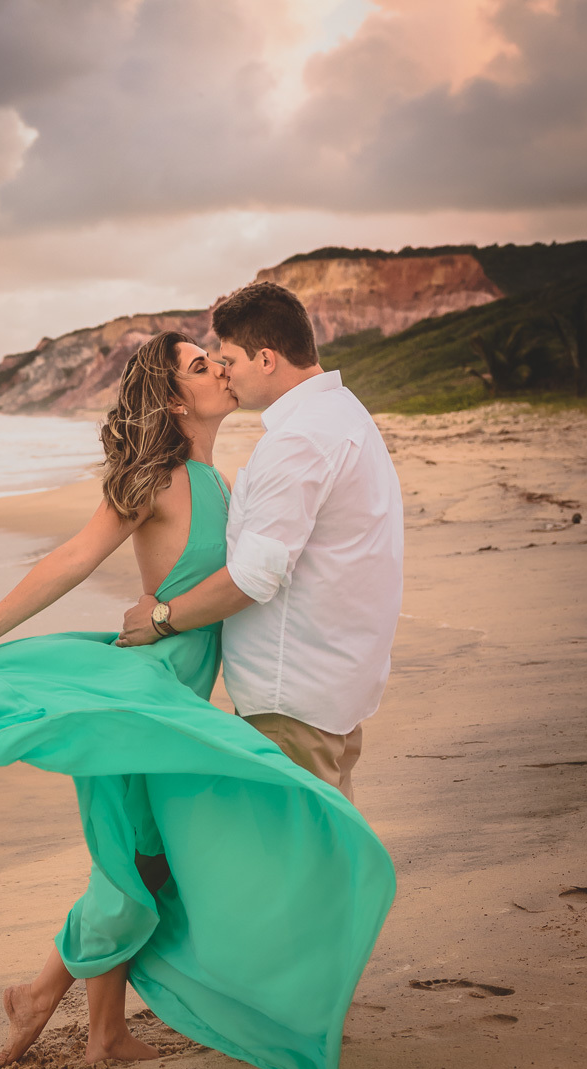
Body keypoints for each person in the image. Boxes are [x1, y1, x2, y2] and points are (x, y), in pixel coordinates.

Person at [0, 329, 395, 1069]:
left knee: (141, 857)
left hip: (180, 698)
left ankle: (73, 1011)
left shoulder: (222, 479)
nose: (219, 368)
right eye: (199, 364)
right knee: (137, 858)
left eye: (218, 358)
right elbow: (72, 557)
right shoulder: (157, 478)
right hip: (143, 699)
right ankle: (76, 1015)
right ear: (176, 398)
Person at [119, 282, 404, 804]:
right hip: (335, 683)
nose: (224, 372)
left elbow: (255, 577)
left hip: (292, 696)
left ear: (267, 358)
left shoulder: (297, 441)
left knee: (291, 865)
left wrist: (160, 619)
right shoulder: (346, 415)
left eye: (228, 359)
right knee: (322, 848)